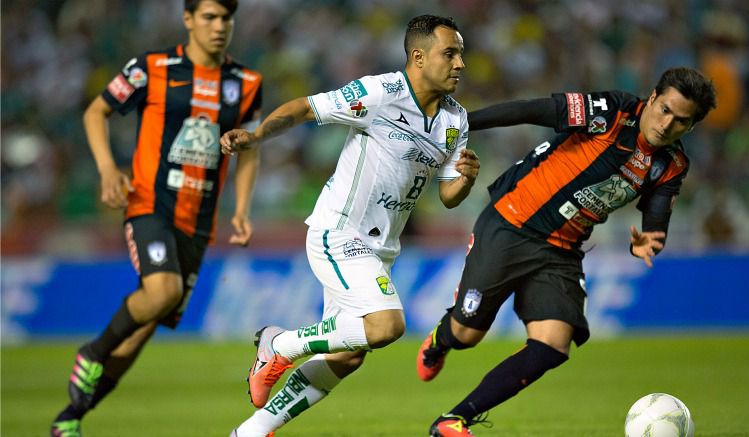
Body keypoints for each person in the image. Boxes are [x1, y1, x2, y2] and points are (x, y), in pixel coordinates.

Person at [416, 67, 717, 436]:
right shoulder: (612, 111)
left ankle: (453, 420)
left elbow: (656, 218)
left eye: (681, 121)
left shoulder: (671, 165)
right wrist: (462, 125)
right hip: (511, 222)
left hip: (562, 250)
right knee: (467, 335)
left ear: (690, 127)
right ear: (652, 98)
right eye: (665, 109)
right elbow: (530, 110)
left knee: (553, 345)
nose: (667, 123)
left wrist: (649, 239)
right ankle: (439, 340)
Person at [220, 14, 480, 437]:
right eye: (449, 53)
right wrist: (256, 137)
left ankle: (248, 433)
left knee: (348, 356)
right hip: (339, 233)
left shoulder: (455, 121)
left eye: (461, 55)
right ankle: (280, 345)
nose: (460, 64)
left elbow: (449, 196)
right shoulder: (380, 93)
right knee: (386, 325)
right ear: (418, 56)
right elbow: (306, 108)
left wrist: (464, 179)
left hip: (382, 248)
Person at [50, 1, 263, 436]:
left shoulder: (246, 82)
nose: (219, 26)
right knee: (161, 291)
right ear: (188, 20)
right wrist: (109, 169)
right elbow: (96, 111)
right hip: (151, 202)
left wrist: (241, 209)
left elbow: (248, 149)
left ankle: (70, 418)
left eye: (226, 18)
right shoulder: (153, 67)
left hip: (199, 221)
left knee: (145, 329)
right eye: (209, 17)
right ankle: (92, 352)